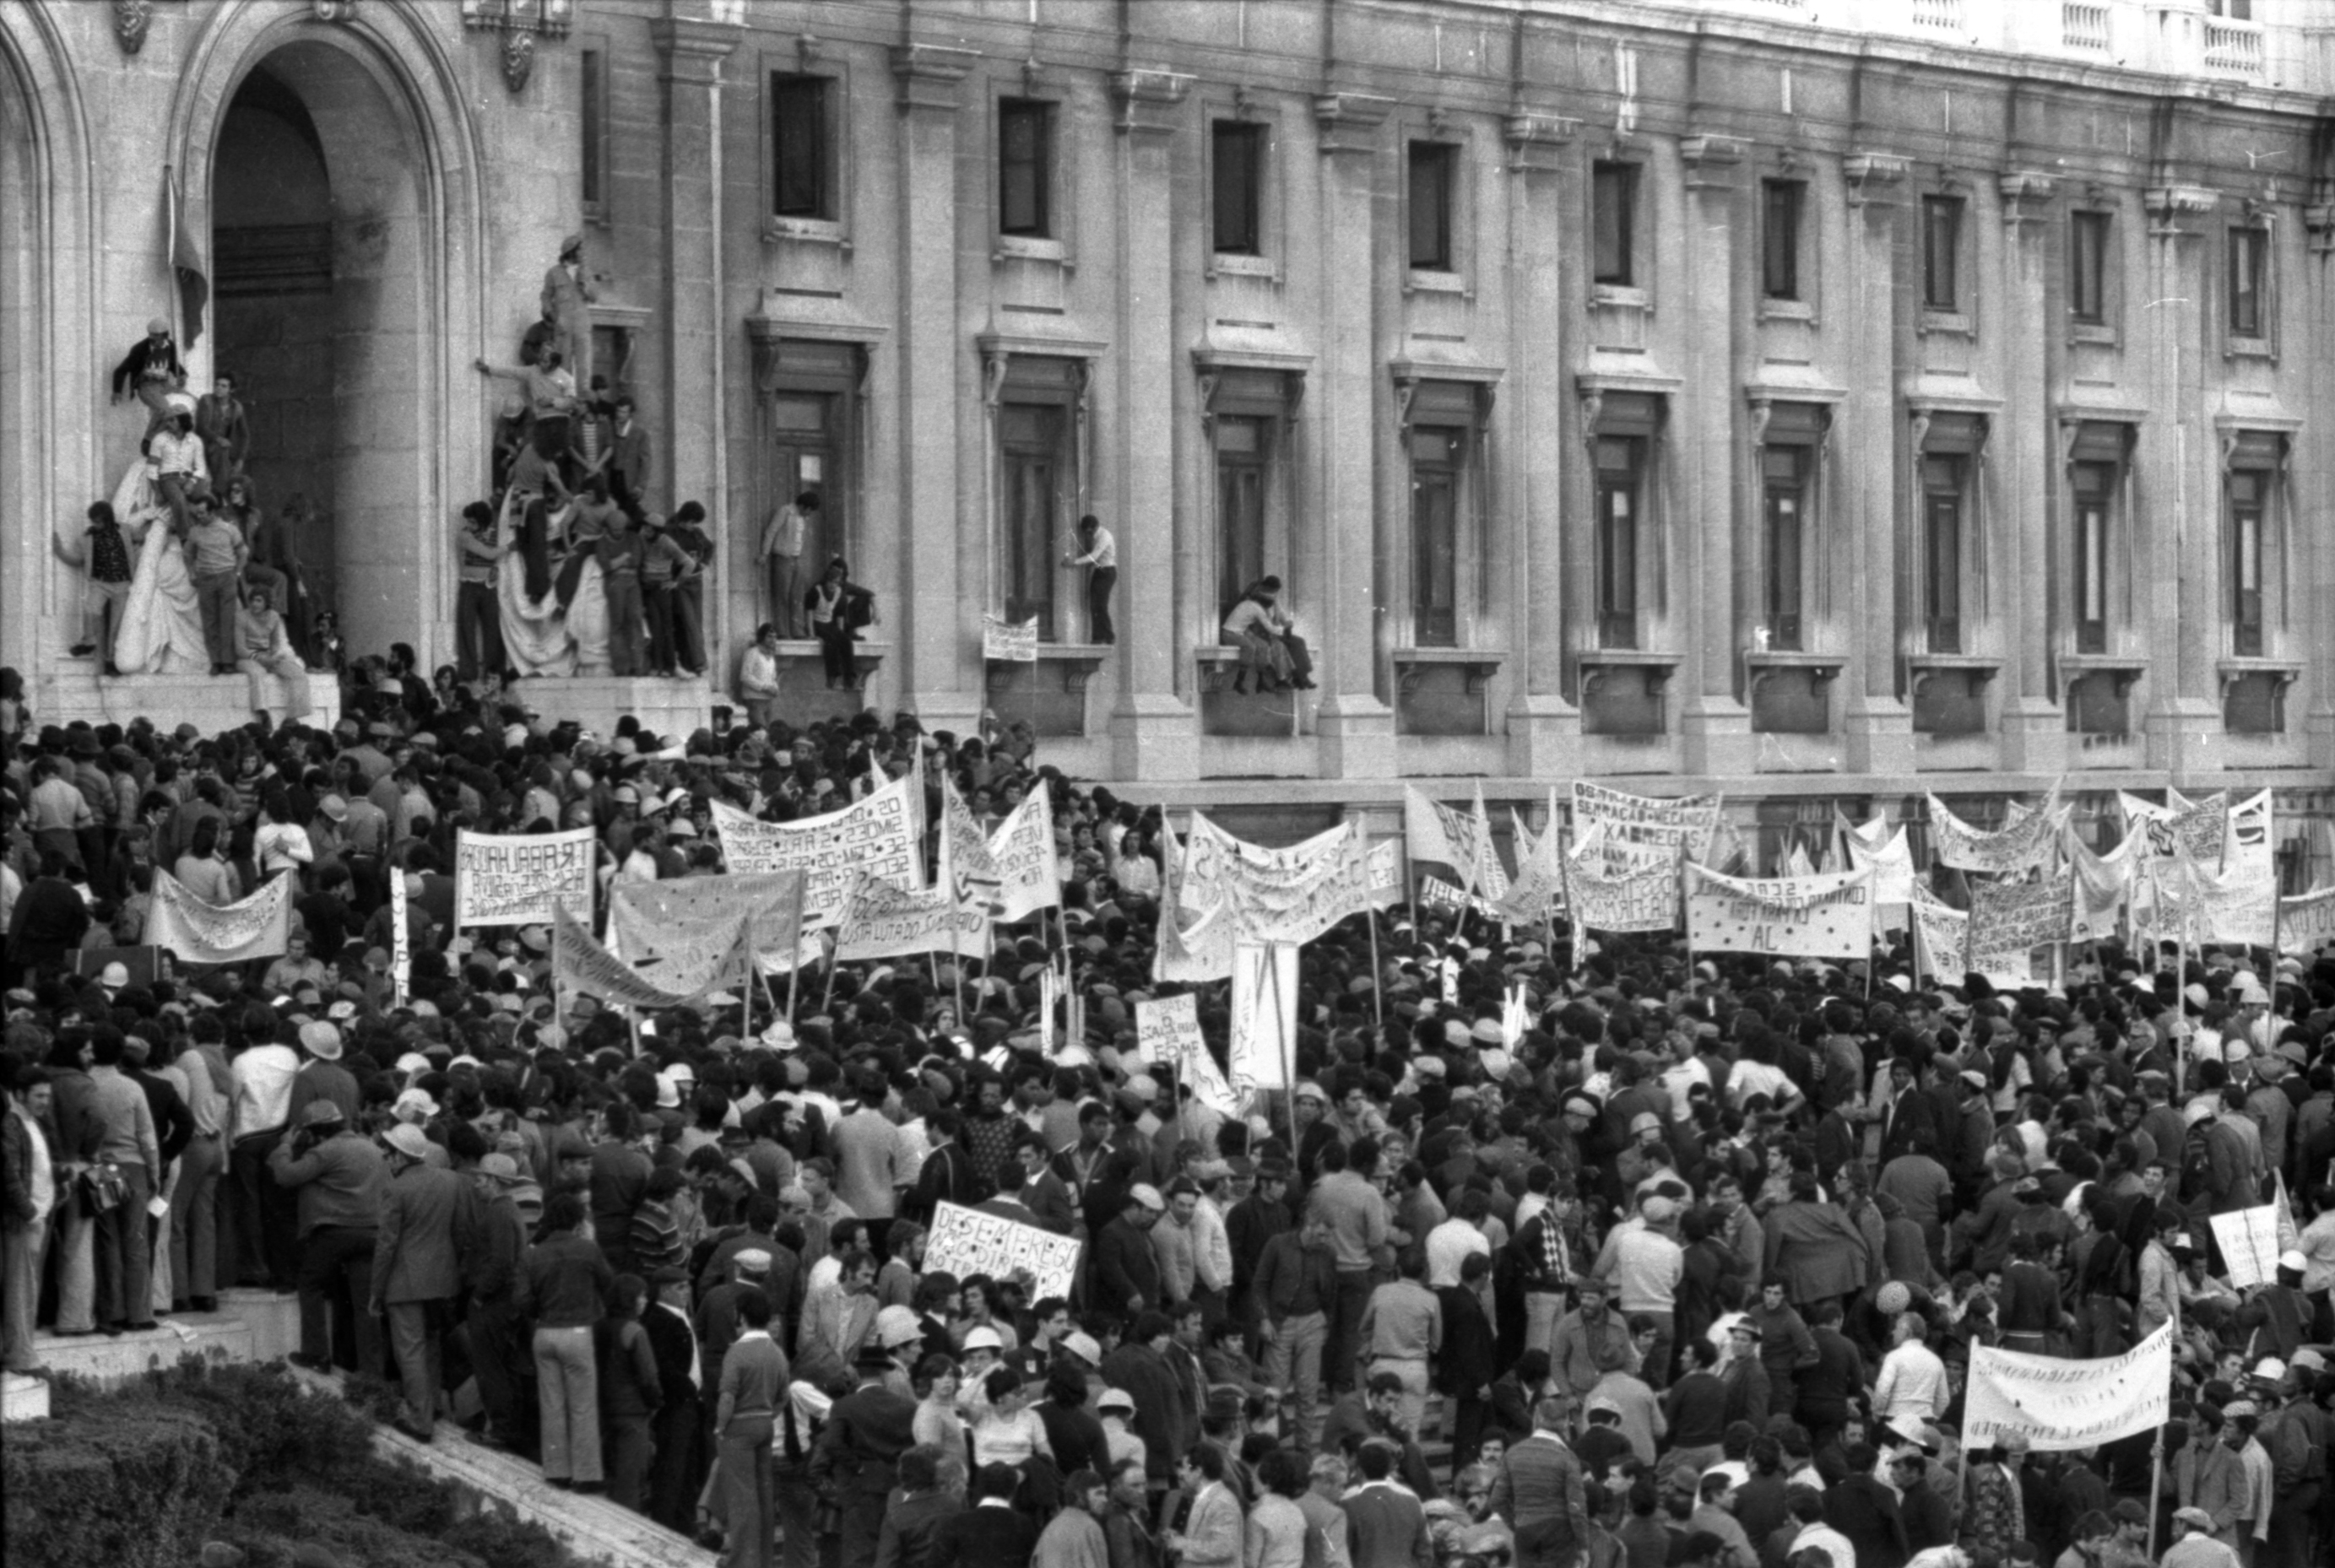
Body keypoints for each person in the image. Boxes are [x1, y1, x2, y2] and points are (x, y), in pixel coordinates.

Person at [371, 1122, 478, 1443]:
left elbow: (386, 1245)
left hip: (405, 1283)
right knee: (431, 1344)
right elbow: (461, 1232)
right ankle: (432, 1407)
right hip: (443, 1280)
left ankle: (420, 1420)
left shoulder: (396, 1189)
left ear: (402, 1157)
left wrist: (376, 1291)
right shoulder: (451, 1181)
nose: (386, 1158)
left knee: (411, 1351)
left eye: (389, 1153)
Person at [269, 1100, 385, 1378]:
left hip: (334, 1232)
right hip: (372, 1233)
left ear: (313, 1131)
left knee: (311, 1284)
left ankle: (316, 1354)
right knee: (365, 1304)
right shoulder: (372, 1148)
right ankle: (372, 1374)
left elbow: (286, 1176)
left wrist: (285, 1146)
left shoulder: (326, 1151)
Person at [56, 500, 135, 672]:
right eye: (94, 521)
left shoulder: (124, 530)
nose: (96, 525)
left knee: (116, 626)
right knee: (91, 609)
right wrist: (60, 552)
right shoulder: (88, 538)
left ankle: (111, 661)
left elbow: (140, 538)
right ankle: (88, 641)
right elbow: (77, 560)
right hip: (100, 583)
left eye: (98, 521)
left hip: (122, 584)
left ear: (108, 519)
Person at [182, 487, 247, 674]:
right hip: (206, 580)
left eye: (202, 513)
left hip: (227, 577)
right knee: (210, 622)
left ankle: (228, 662)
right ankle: (216, 662)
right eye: (197, 514)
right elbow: (187, 554)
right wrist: (192, 572)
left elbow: (243, 552)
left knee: (227, 621)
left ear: (212, 512)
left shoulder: (229, 529)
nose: (199, 517)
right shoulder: (195, 532)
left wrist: (237, 573)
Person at [233, 579, 313, 725]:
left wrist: (275, 657)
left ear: (266, 603)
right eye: (252, 600)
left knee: (297, 672)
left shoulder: (274, 617)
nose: (254, 604)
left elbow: (275, 644)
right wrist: (260, 658)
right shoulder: (241, 617)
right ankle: (263, 713)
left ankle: (293, 717)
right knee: (258, 673)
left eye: (259, 600)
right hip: (247, 657)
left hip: (267, 655)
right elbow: (240, 649)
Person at [807, 556, 874, 690]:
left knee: (846, 641)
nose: (832, 586)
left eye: (835, 583)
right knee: (830, 642)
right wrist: (811, 633)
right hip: (816, 623)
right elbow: (808, 613)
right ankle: (833, 676)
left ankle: (850, 679)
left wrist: (841, 634)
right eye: (830, 582)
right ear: (826, 581)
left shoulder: (839, 593)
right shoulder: (816, 591)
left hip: (828, 622)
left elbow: (840, 616)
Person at [541, 232, 598, 390]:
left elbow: (594, 297)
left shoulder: (586, 272)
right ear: (571, 251)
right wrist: (551, 314)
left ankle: (583, 399)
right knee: (563, 365)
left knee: (584, 365)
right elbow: (545, 296)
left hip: (582, 325)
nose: (583, 254)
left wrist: (585, 281)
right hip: (563, 326)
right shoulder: (554, 273)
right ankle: (565, 397)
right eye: (580, 250)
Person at [763, 491, 816, 639]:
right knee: (782, 595)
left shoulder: (802, 518)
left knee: (797, 596)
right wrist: (765, 553)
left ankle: (798, 631)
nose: (809, 513)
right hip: (783, 557)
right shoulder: (785, 511)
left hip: (796, 559)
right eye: (809, 509)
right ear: (803, 505)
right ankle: (782, 631)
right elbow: (771, 531)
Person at [1063, 514, 1117, 645]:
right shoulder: (1097, 535)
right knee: (1094, 604)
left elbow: (1094, 556)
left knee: (1101, 604)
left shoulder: (1105, 536)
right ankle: (1098, 637)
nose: (1088, 535)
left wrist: (1074, 562)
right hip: (1100, 571)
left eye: (1089, 532)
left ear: (1094, 527)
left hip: (1107, 572)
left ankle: (1108, 636)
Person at [194, 370, 252, 487]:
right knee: (221, 451)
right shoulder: (206, 400)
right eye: (217, 384)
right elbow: (201, 427)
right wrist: (218, 439)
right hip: (202, 446)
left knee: (225, 457)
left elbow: (245, 435)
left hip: (221, 451)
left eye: (223, 386)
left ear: (231, 390)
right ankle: (221, 492)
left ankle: (221, 494)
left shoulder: (236, 407)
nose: (218, 388)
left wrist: (241, 459)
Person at [739, 623, 783, 729]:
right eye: (769, 636)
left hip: (768, 700)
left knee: (768, 732)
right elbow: (744, 676)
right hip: (754, 700)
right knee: (760, 731)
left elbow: (772, 677)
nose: (773, 640)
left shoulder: (771, 656)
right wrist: (765, 687)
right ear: (762, 637)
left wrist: (775, 688)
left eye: (775, 637)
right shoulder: (753, 653)